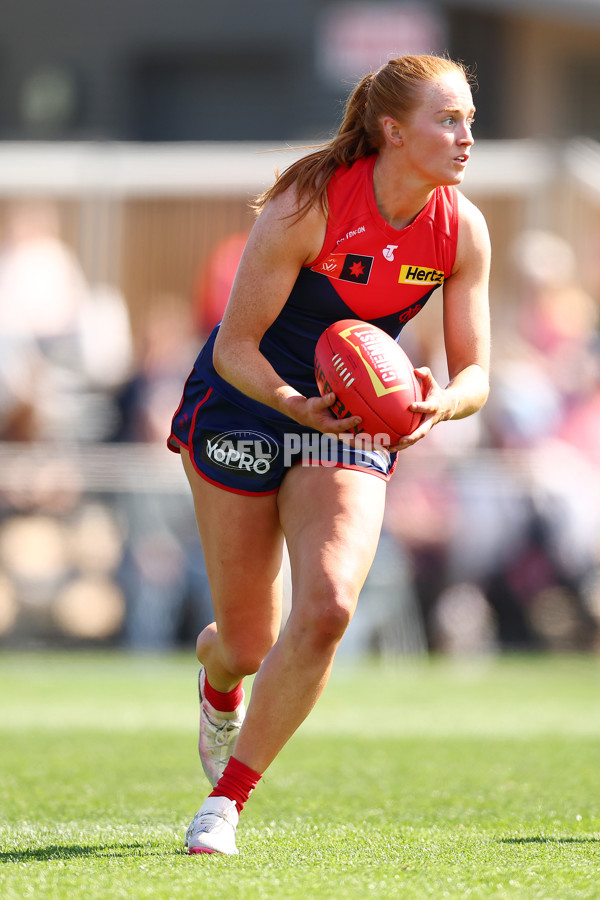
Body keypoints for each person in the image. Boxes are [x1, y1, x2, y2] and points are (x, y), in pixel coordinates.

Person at [168, 53, 491, 855]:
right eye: (447, 120)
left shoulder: (462, 226)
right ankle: (219, 678)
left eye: (470, 122)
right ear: (392, 129)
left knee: (329, 609)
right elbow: (238, 345)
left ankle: (226, 803)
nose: (465, 138)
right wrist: (290, 403)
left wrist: (437, 403)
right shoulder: (308, 202)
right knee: (247, 641)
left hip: (348, 424)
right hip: (249, 404)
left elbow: (477, 372)